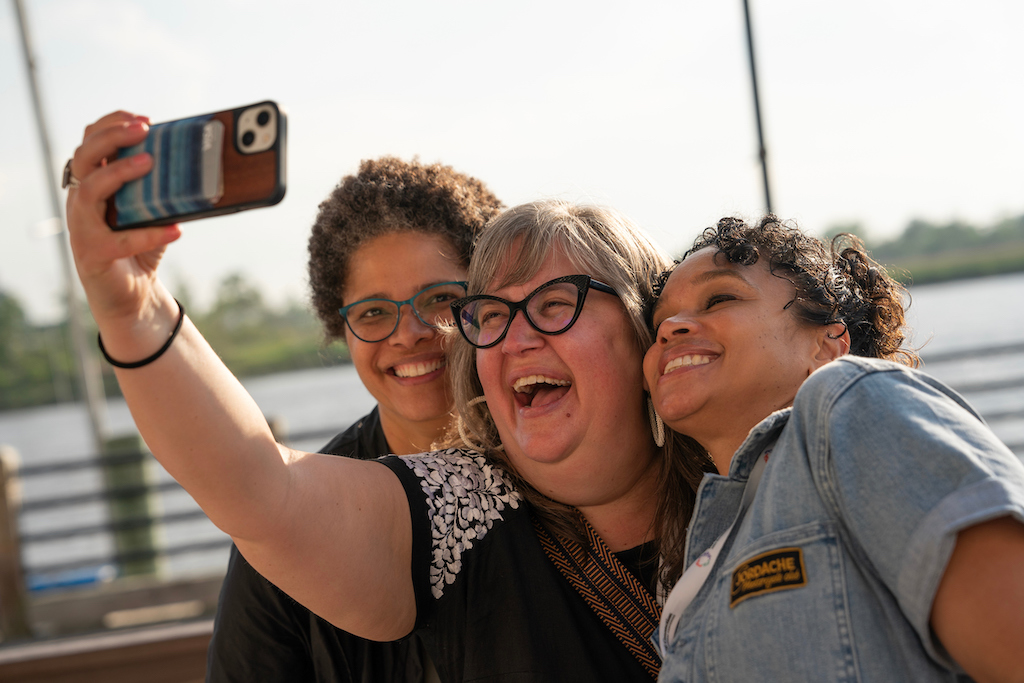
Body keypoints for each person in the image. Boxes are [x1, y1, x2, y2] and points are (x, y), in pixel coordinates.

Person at [64, 110, 709, 682]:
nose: (515, 337)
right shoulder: (465, 504)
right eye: (495, 314)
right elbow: (260, 490)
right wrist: (133, 309)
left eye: (555, 305)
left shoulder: (754, 473)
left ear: (644, 328)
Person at [644, 216, 1024, 682]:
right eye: (659, 322)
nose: (671, 329)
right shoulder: (697, 565)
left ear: (827, 346)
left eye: (719, 298)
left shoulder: (853, 402)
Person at [207, 156, 504, 682]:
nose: (408, 332)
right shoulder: (289, 523)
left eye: (440, 299)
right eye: (372, 311)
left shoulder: (561, 467)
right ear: (339, 326)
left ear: (489, 300)